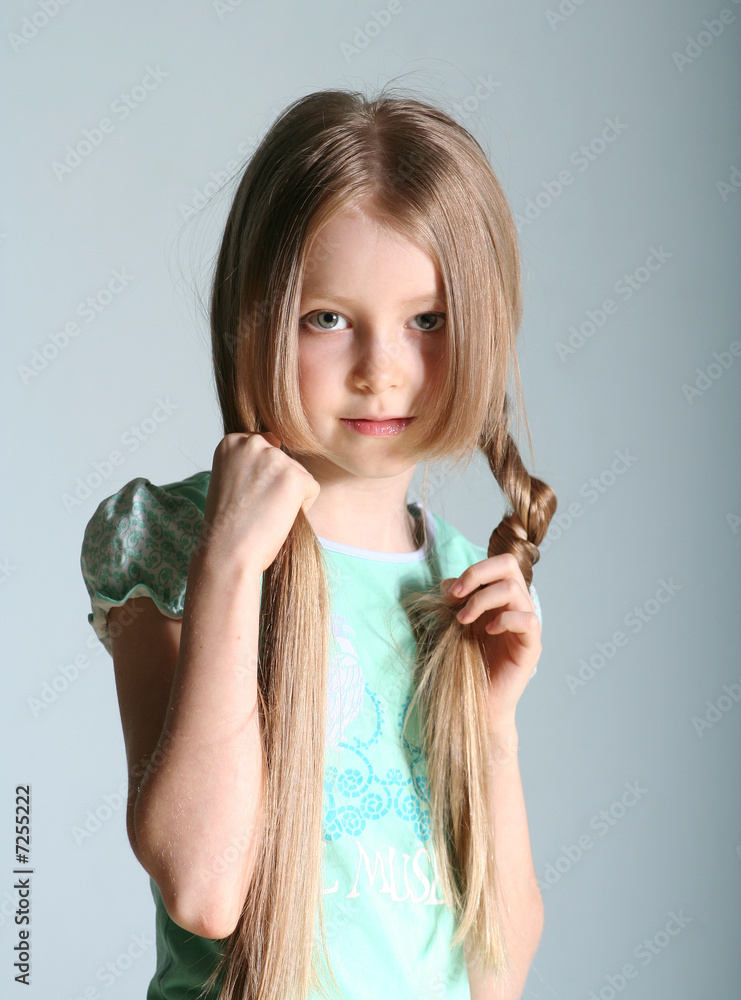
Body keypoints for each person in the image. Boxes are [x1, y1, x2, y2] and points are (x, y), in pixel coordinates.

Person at [80, 85, 557, 1000]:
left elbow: (499, 976)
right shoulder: (172, 541)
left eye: (428, 320)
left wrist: (492, 726)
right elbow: (205, 887)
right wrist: (227, 567)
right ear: (255, 315)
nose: (381, 369)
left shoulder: (459, 578)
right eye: (327, 318)